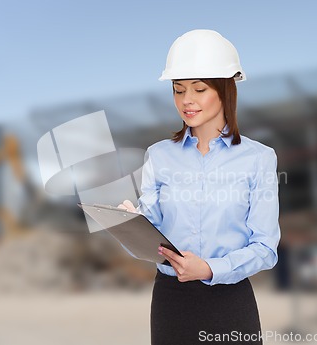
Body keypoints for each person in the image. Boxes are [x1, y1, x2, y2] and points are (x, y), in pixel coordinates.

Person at [119, 29, 280, 345]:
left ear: (225, 90)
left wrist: (209, 268)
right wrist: (128, 226)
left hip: (230, 303)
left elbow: (265, 248)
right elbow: (151, 235)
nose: (186, 101)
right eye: (178, 91)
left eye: (199, 89)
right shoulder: (159, 155)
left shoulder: (259, 158)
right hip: (172, 303)